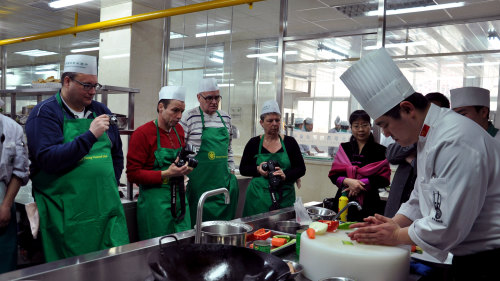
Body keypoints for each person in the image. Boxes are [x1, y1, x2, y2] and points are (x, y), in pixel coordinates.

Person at [340, 48, 500, 281]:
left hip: (489, 260)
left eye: (385, 125)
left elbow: (446, 226)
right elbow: (420, 196)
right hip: (470, 257)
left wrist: (395, 235)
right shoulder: (428, 135)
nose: (385, 134)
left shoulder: (455, 139)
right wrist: (391, 224)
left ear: (407, 109)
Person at [25, 55, 129, 262]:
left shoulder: (101, 111)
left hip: (104, 208)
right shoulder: (45, 114)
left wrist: (112, 183)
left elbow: (116, 152)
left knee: (113, 267)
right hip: (67, 213)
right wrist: (89, 136)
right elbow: (48, 159)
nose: (92, 91)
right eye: (86, 85)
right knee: (73, 270)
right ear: (67, 81)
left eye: (95, 85)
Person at [127, 86, 193, 240]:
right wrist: (166, 174)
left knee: (183, 245)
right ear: (160, 107)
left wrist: (184, 169)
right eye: (175, 110)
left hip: (180, 199)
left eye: (182, 111)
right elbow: (132, 174)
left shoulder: (179, 131)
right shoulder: (142, 134)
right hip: (155, 203)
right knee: (158, 249)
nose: (179, 116)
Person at [180, 78, 238, 225]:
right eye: (209, 98)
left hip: (222, 182)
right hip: (198, 184)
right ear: (199, 97)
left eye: (217, 97)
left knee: (222, 227)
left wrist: (231, 170)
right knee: (196, 225)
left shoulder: (225, 117)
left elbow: (228, 148)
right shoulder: (189, 117)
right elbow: (180, 149)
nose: (214, 101)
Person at [384, 92, 450, 218]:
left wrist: (411, 160)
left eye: (386, 125)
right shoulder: (415, 136)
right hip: (401, 197)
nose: (386, 134)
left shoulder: (448, 140)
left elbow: (443, 223)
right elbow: (391, 154)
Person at [239, 100, 306, 216]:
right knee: (256, 231)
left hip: (284, 197)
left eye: (277, 120)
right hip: (258, 198)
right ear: (261, 122)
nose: (274, 124)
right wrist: (257, 169)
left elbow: (301, 168)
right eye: (270, 121)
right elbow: (243, 169)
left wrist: (286, 174)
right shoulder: (254, 143)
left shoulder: (290, 142)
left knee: (282, 231)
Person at [328, 110, 391, 221]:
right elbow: (333, 175)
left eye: (364, 125)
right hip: (343, 200)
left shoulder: (380, 150)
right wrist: (349, 181)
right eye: (356, 126)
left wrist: (359, 184)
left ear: (370, 126)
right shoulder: (344, 148)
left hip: (369, 203)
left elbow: (384, 179)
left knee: (365, 235)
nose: (360, 129)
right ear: (351, 128)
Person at [0, 101, 30, 274]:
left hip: (3, 197)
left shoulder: (12, 128)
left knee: (4, 263)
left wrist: (5, 206)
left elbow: (20, 171)